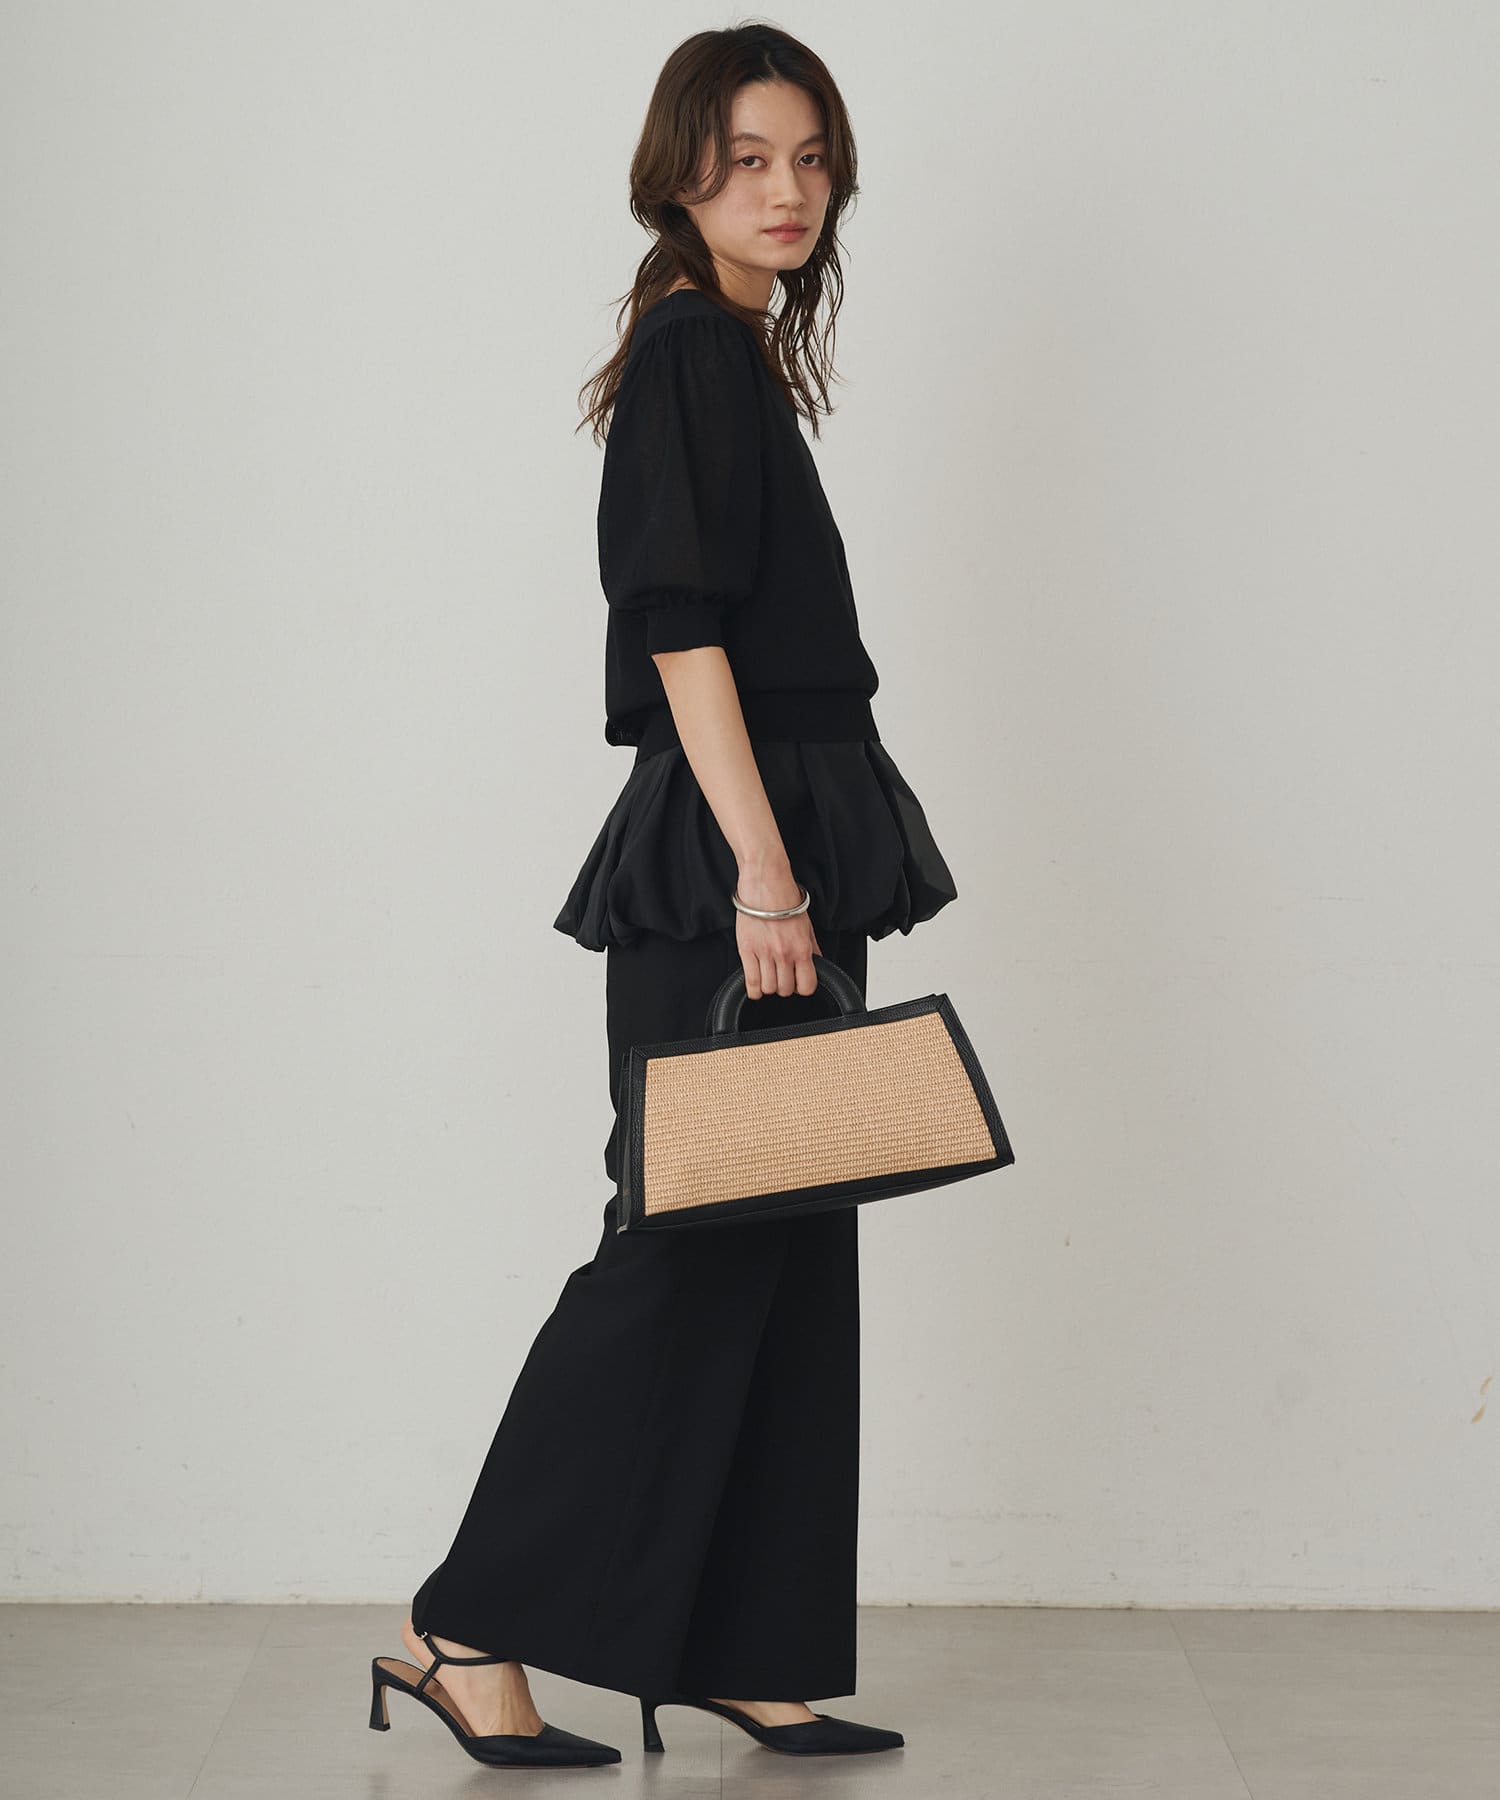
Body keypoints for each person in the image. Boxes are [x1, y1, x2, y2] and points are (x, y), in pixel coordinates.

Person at [369, 23, 958, 1770]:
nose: (788, 190)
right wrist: (766, 878)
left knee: (788, 1244)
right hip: (735, 861)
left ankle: (744, 1644)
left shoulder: (732, 352)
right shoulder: (696, 349)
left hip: (787, 840)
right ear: (679, 174)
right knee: (683, 1250)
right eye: (749, 159)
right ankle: (459, 1629)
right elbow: (681, 632)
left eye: (812, 158)